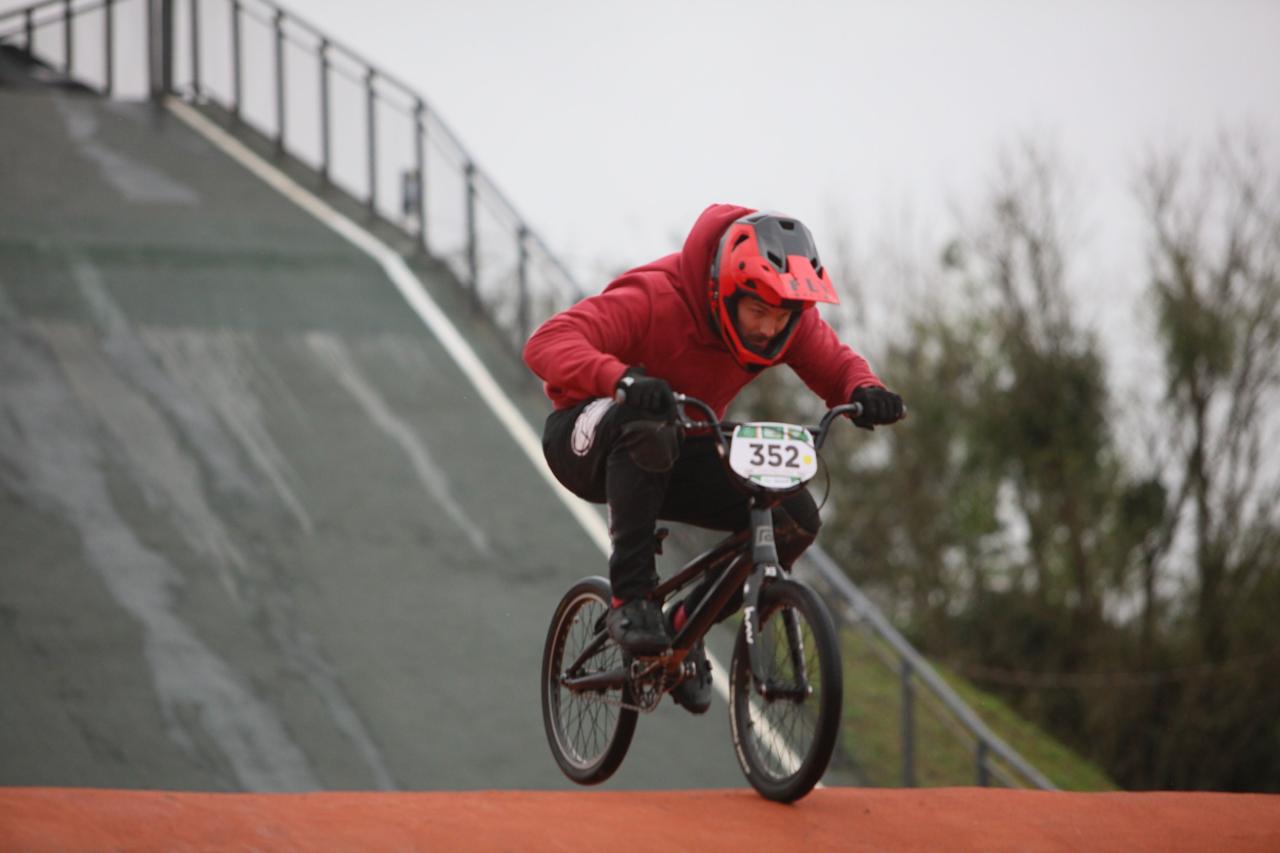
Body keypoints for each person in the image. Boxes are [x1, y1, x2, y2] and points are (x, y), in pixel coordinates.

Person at [523, 204, 904, 714]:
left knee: (794, 518)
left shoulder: (788, 322)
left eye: (781, 317)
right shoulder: (656, 298)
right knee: (647, 423)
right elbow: (546, 342)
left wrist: (866, 390)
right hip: (586, 436)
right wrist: (621, 379)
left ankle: (686, 625)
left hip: (679, 442)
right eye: (758, 312)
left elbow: (836, 364)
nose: (769, 329)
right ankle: (630, 599)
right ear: (725, 291)